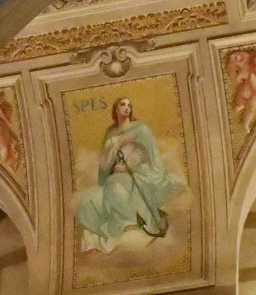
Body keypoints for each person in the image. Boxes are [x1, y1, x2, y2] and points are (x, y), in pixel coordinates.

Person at [75, 98, 185, 252]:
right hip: (117, 176)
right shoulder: (111, 134)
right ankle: (121, 228)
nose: (127, 107)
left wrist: (131, 168)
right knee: (90, 198)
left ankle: (132, 226)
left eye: (129, 105)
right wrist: (117, 145)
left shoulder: (141, 129)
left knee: (115, 185)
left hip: (140, 173)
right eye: (123, 104)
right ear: (115, 110)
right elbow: (105, 165)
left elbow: (152, 158)